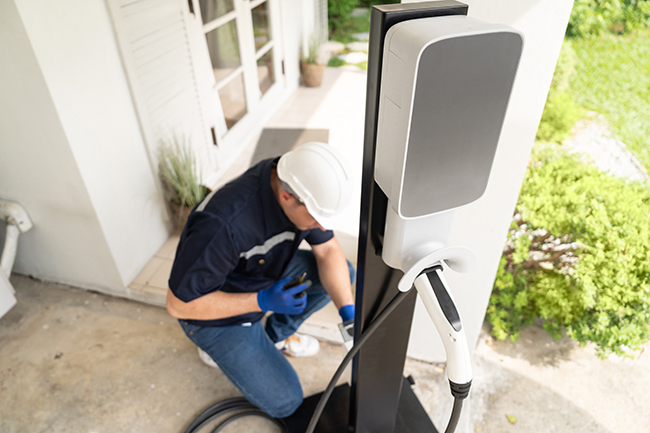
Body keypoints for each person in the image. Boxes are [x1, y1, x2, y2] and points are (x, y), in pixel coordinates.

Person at [165, 142, 356, 419]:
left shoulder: (290, 177)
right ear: (288, 197)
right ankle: (218, 349)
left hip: (258, 271)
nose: (322, 226)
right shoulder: (222, 225)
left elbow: (327, 250)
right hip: (212, 312)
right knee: (286, 401)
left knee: (342, 274)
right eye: (317, 218)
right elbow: (178, 305)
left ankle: (272, 338)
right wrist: (261, 300)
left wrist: (347, 311)